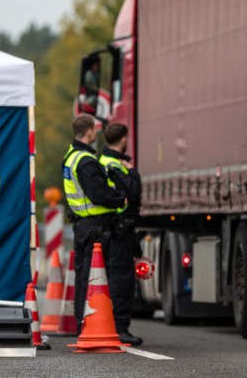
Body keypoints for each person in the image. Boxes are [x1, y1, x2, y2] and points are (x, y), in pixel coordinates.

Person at [62, 114, 126, 337]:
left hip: (83, 225)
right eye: (95, 130)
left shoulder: (71, 157)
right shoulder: (85, 160)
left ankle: (84, 323)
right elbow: (98, 193)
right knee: (95, 278)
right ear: (89, 131)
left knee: (84, 278)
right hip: (95, 227)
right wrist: (120, 199)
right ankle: (91, 325)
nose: (96, 133)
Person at [99, 123, 143, 346]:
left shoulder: (105, 161)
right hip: (120, 228)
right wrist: (133, 172)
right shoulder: (115, 164)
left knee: (116, 278)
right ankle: (120, 327)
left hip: (114, 227)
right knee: (121, 279)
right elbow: (133, 194)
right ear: (123, 139)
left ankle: (114, 324)